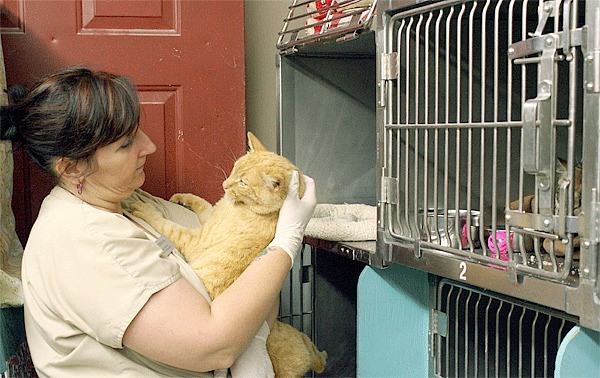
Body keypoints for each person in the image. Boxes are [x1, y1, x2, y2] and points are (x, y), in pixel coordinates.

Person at [0, 66, 317, 377]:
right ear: (71, 169)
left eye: (136, 131)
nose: (149, 146)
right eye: (126, 144)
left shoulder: (128, 202)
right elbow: (214, 346)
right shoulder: (81, 243)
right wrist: (285, 242)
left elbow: (238, 271)